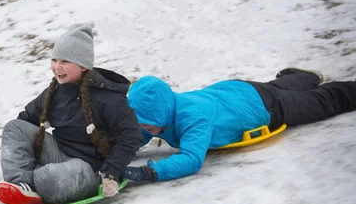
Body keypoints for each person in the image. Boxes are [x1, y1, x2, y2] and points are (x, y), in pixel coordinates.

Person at [0, 24, 144, 204]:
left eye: (65, 61)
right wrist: (21, 155)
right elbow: (25, 121)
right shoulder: (55, 92)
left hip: (88, 169)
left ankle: (34, 181)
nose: (57, 67)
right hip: (58, 153)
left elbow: (131, 136)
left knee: (47, 176)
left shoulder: (107, 99)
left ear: (82, 66)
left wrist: (111, 172)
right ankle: (21, 184)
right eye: (54, 60)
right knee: (14, 127)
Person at [123, 68, 356, 182]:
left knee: (320, 103)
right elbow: (136, 135)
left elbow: (192, 159)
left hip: (265, 108)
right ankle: (303, 76)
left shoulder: (192, 118)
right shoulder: (161, 113)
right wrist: (112, 153)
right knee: (278, 87)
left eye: (147, 125)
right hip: (234, 91)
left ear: (161, 114)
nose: (145, 130)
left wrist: (149, 172)